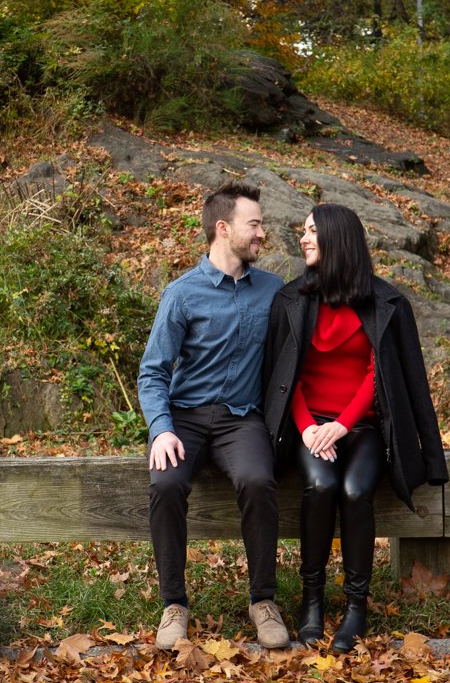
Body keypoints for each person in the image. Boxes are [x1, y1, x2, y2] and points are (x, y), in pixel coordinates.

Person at [262, 204, 448, 652]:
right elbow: (287, 376)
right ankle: (312, 602)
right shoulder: (291, 301)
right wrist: (308, 428)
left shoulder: (385, 303)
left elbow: (377, 375)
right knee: (322, 484)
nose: (303, 239)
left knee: (354, 490)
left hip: (362, 427)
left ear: (336, 239)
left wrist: (342, 426)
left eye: (311, 232)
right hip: (309, 428)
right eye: (303, 232)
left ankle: (355, 606)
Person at [137, 180, 290, 650]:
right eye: (255, 224)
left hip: (242, 419)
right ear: (223, 229)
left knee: (260, 481)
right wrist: (160, 430)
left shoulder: (274, 290)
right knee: (165, 484)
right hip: (184, 418)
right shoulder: (182, 294)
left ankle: (263, 600)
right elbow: (152, 372)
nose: (262, 233)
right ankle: (174, 605)